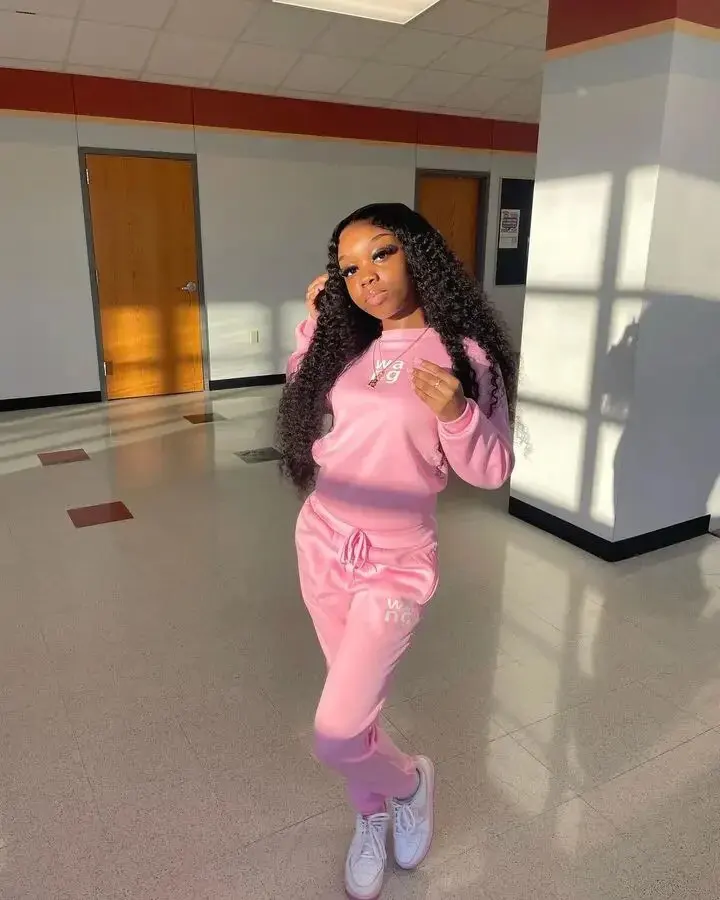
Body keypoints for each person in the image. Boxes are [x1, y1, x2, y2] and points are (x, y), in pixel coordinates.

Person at [276, 203, 516, 900]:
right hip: (322, 541)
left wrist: (457, 414)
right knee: (357, 712)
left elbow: (492, 468)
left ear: (418, 254)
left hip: (396, 561)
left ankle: (410, 783)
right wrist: (315, 328)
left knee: (335, 730)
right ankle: (370, 814)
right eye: (350, 269)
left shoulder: (465, 354)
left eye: (381, 254)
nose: (367, 278)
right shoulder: (347, 346)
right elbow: (303, 397)